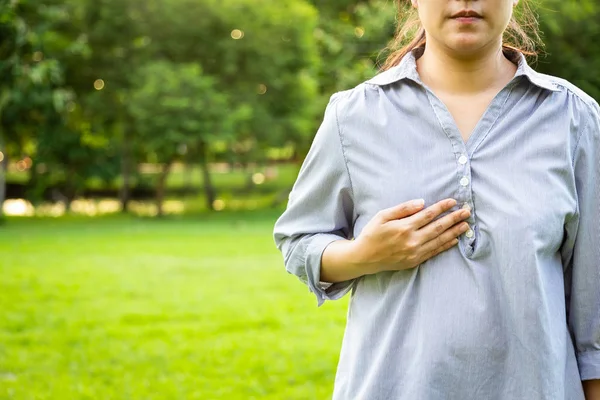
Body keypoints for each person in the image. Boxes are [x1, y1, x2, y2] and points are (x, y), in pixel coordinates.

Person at [273, 0, 600, 399]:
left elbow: (594, 318)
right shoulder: (354, 115)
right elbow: (298, 239)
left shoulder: (575, 118)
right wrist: (364, 255)